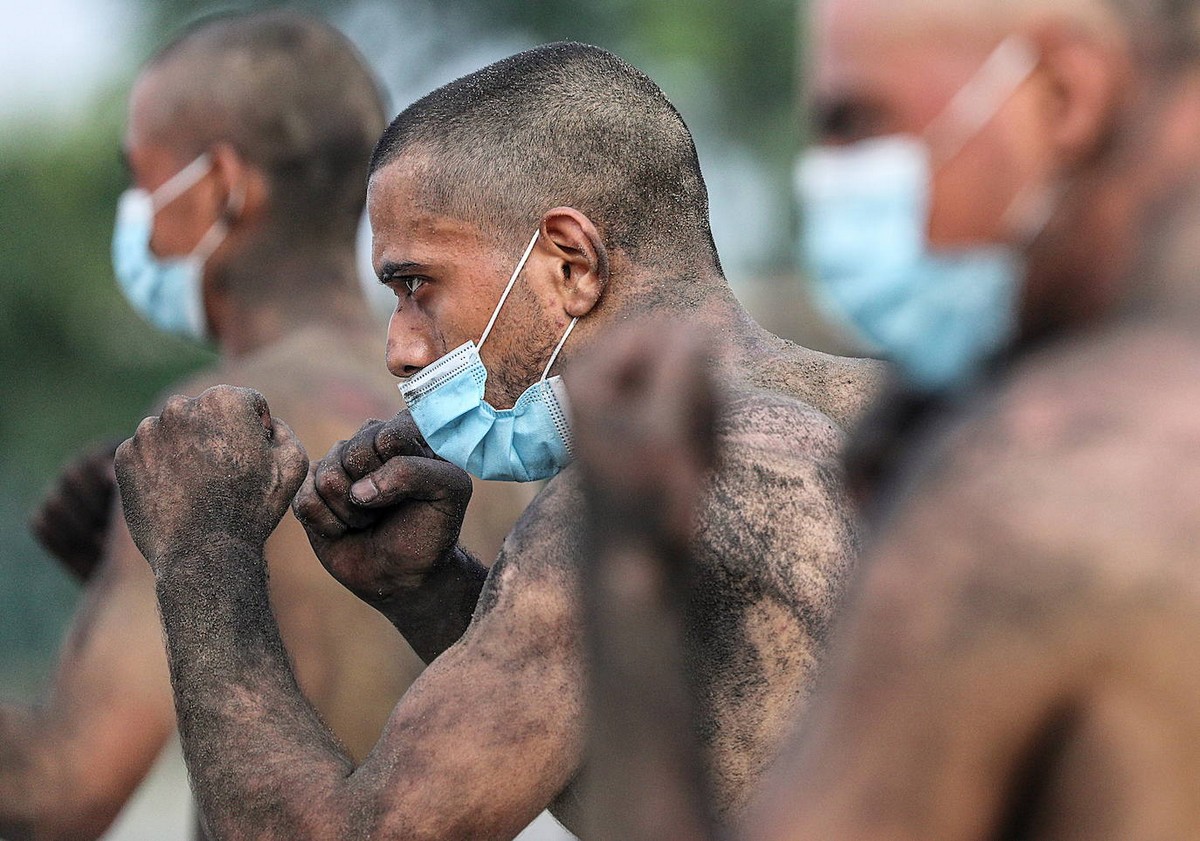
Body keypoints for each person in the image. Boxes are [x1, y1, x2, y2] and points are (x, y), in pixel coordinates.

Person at [110, 42, 885, 839]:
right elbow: (713, 790)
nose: (401, 348)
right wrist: (437, 595)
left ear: (569, 264)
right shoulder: (901, 416)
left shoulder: (617, 504)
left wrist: (202, 554)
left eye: (416, 285)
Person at [573, 0, 1200, 838]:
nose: (825, 177)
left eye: (856, 122)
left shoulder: (1030, 493)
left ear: (1062, 95)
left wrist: (627, 568)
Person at [0, 11, 534, 839]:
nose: (135, 215)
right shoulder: (484, 417)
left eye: (141, 179)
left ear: (222, 186)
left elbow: (61, 789)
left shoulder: (212, 436)